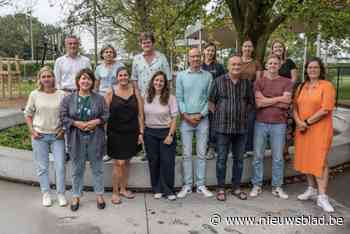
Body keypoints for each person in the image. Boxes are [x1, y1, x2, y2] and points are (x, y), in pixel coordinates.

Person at [60, 68, 109, 211]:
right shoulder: (68, 99)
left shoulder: (99, 99)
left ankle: (99, 195)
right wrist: (76, 123)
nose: (85, 81)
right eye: (83, 78)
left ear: (92, 82)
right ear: (78, 81)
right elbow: (63, 116)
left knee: (97, 168)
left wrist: (97, 121)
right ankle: (76, 195)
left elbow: (106, 115)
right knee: (77, 169)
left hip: (95, 138)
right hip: (76, 138)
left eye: (88, 79)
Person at [209, 56, 254, 201]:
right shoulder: (218, 81)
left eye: (239, 64)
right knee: (221, 159)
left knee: (239, 160)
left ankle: (236, 187)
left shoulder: (246, 83)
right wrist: (221, 114)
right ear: (228, 66)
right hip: (223, 128)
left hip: (241, 129)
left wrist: (242, 115)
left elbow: (250, 102)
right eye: (233, 64)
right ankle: (221, 188)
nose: (236, 67)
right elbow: (211, 103)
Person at [293, 57, 336, 212]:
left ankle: (322, 196)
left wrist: (307, 122)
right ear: (306, 70)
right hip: (302, 129)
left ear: (320, 69)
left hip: (320, 130)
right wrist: (298, 122)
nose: (312, 70)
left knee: (320, 161)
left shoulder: (327, 86)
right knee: (306, 159)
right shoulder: (301, 87)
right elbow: (294, 107)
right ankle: (311, 189)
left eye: (315, 67)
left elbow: (326, 109)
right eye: (310, 67)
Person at [250, 55, 293, 199]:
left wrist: (267, 100)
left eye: (276, 63)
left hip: (279, 124)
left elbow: (286, 103)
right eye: (270, 63)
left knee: (278, 157)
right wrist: (279, 99)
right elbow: (258, 104)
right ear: (266, 65)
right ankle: (257, 185)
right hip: (260, 123)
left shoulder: (287, 82)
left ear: (280, 65)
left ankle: (277, 186)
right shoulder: (259, 82)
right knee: (258, 156)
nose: (273, 65)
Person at [24, 66, 67, 207]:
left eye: (49, 76)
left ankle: (61, 194)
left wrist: (64, 129)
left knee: (60, 166)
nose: (47, 79)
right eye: (44, 77)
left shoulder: (62, 94)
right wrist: (32, 131)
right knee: (42, 167)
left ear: (53, 78)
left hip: (57, 135)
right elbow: (28, 114)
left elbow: (68, 115)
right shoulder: (34, 94)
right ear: (40, 79)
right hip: (39, 135)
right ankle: (46, 193)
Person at [176, 48, 213, 198]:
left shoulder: (208, 76)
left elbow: (209, 99)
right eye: (193, 56)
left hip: (202, 120)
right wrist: (185, 115)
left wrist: (201, 114)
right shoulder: (181, 76)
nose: (196, 58)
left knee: (201, 154)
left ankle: (200, 185)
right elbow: (179, 98)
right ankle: (187, 185)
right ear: (188, 58)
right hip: (186, 120)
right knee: (186, 154)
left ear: (201, 57)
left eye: (198, 56)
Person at [105, 67, 144, 204]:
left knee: (127, 162)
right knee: (118, 163)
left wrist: (141, 132)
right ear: (117, 77)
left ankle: (123, 189)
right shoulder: (110, 92)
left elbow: (140, 114)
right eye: (120, 75)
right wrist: (104, 133)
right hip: (115, 132)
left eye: (125, 75)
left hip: (132, 132)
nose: (123, 77)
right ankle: (115, 192)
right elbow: (105, 115)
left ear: (129, 76)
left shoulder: (135, 91)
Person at [143, 71, 178, 201]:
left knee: (167, 162)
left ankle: (168, 190)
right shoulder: (146, 96)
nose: (158, 83)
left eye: (161, 81)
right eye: (156, 80)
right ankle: (157, 189)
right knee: (154, 162)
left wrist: (171, 135)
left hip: (166, 132)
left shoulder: (171, 98)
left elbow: (175, 118)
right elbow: (141, 115)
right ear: (153, 81)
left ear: (165, 84)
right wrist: (142, 132)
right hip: (150, 133)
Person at [94, 45, 124, 162]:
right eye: (106, 52)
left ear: (114, 54)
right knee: (104, 126)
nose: (108, 54)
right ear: (102, 54)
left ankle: (119, 150)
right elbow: (96, 85)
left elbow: (124, 81)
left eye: (111, 52)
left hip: (116, 97)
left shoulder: (120, 66)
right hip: (102, 98)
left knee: (116, 125)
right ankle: (107, 151)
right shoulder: (98, 68)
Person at [270, 39, 298, 160]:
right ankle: (275, 151)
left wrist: (285, 92)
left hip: (287, 97)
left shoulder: (289, 62)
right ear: (272, 49)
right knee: (275, 125)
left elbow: (294, 79)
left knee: (288, 125)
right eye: (275, 47)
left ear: (283, 49)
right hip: (273, 98)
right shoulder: (271, 62)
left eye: (280, 47)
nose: (278, 49)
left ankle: (285, 151)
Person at [201, 42, 226, 160]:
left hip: (215, 102)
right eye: (208, 50)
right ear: (204, 51)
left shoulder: (219, 67)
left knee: (212, 125)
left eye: (212, 50)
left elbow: (223, 83)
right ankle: (202, 147)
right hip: (200, 102)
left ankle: (211, 148)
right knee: (201, 125)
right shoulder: (199, 65)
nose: (210, 52)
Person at [240, 39, 263, 154]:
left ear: (252, 49)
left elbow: (258, 81)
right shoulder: (237, 61)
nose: (247, 49)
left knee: (250, 122)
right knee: (238, 122)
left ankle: (248, 148)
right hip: (237, 96)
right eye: (245, 46)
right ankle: (237, 148)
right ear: (241, 48)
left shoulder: (256, 63)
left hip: (251, 95)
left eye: (249, 46)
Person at [131, 32, 171, 97]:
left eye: (148, 42)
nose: (146, 45)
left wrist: (165, 95)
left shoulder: (162, 57)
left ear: (153, 43)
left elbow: (168, 78)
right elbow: (134, 79)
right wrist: (137, 95)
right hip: (142, 96)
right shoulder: (136, 59)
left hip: (159, 96)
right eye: (144, 43)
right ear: (141, 44)